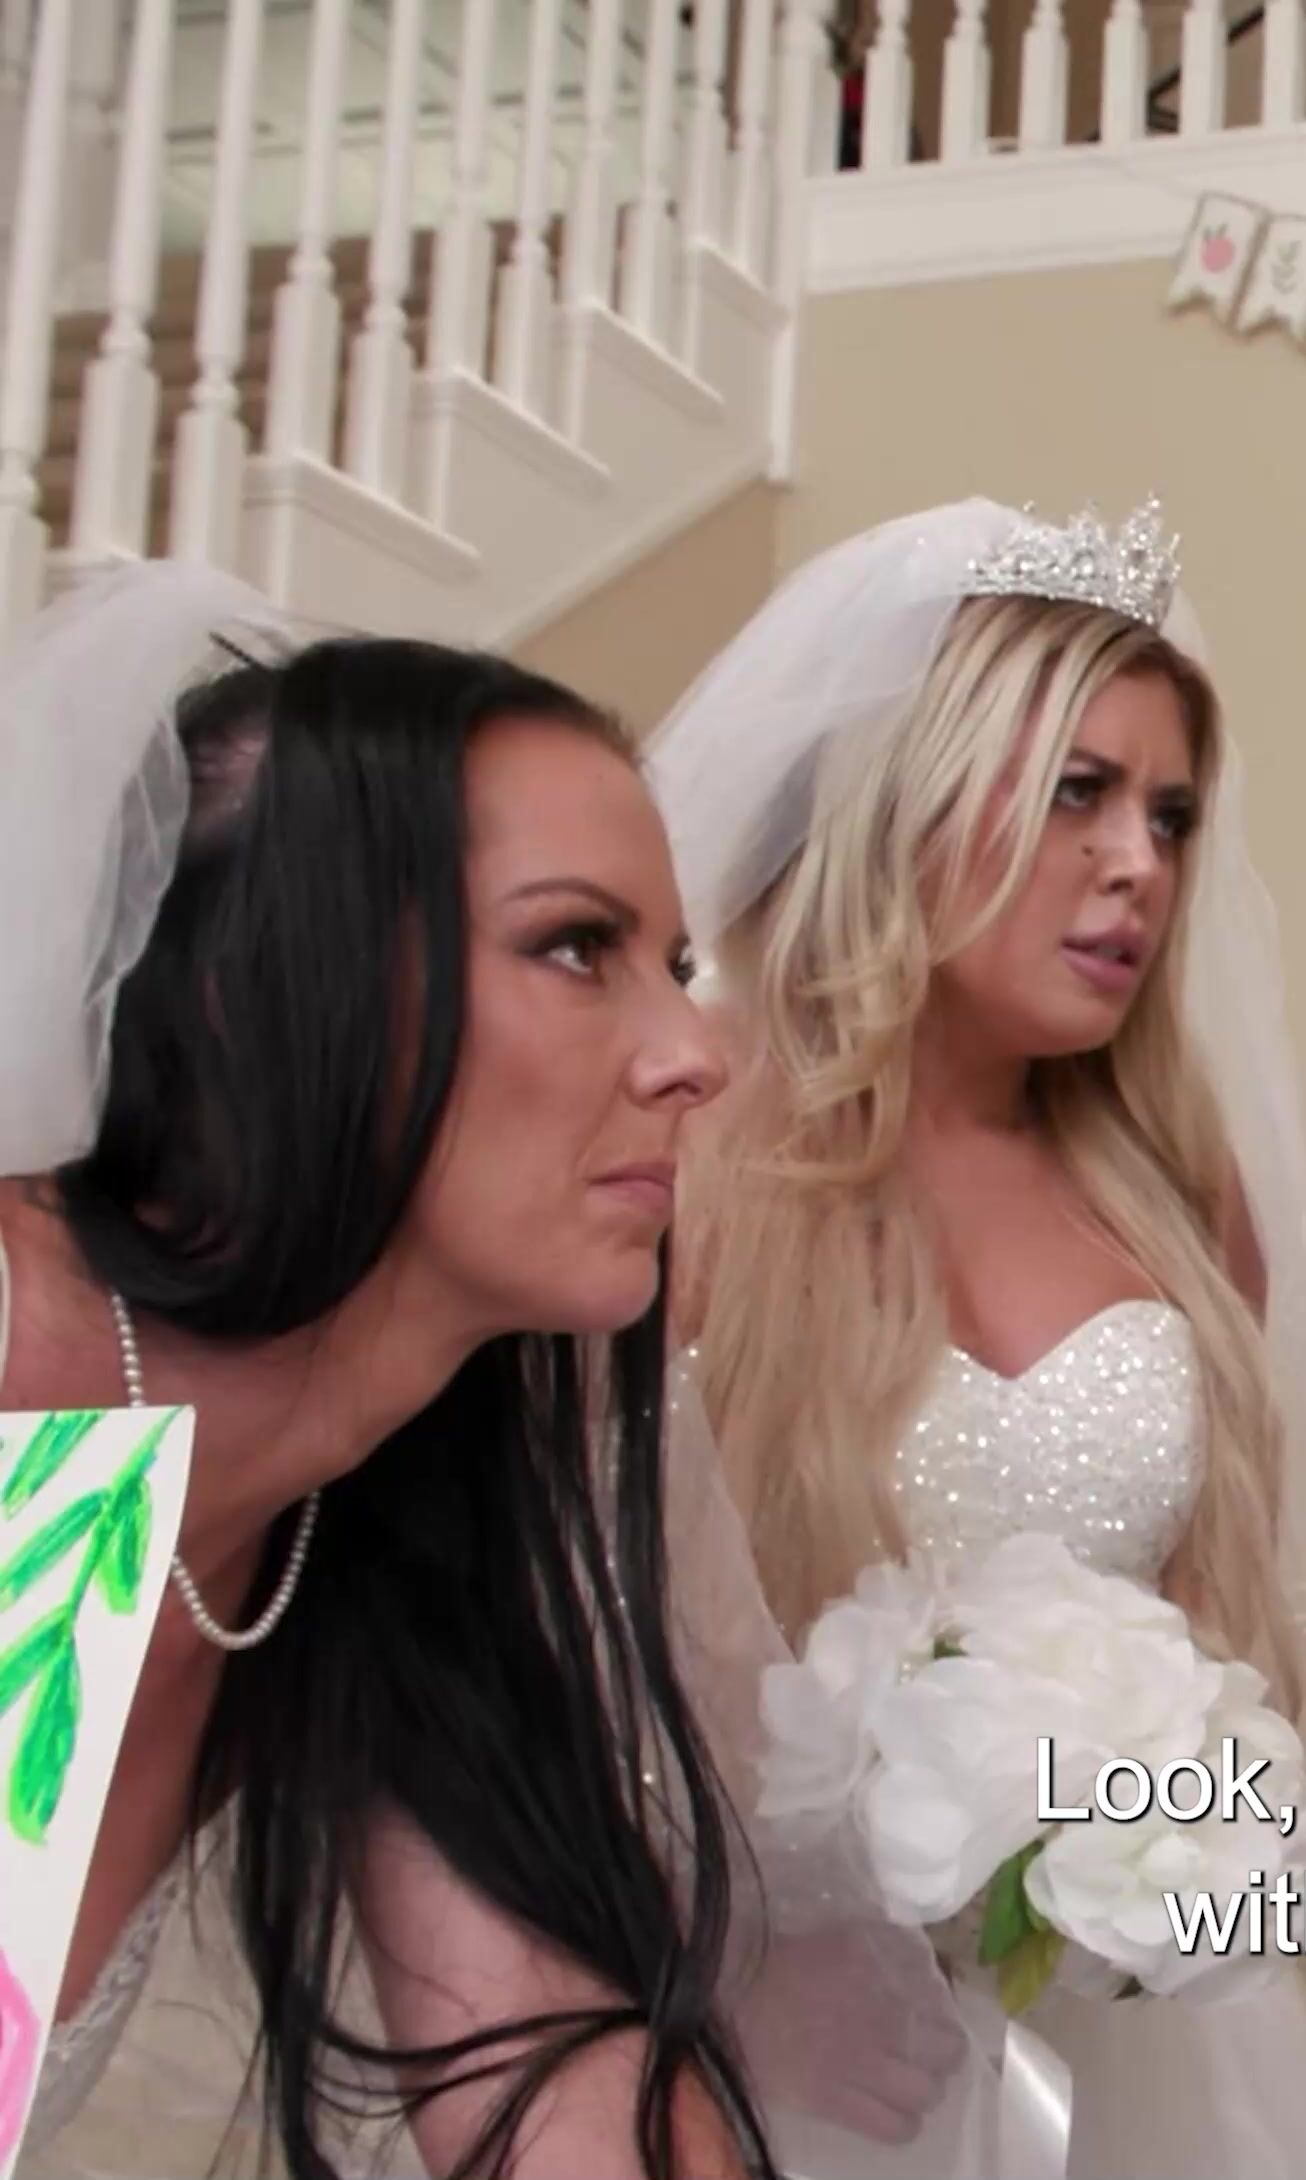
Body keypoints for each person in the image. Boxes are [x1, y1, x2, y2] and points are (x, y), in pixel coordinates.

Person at [0, 565, 777, 2177]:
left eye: (675, 966)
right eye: (577, 947)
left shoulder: (349, 1518)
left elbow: (562, 2083)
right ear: (276, 981)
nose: (696, 1057)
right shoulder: (29, 1367)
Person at [647, 499, 1306, 2179]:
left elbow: (1209, 1637)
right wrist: (750, 1962)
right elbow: (562, 1647)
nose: (1141, 865)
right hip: (778, 2032)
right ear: (914, 791)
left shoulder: (1178, 1191)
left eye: (1171, 815)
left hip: (1150, 2058)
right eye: (1078, 791)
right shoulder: (692, 1150)